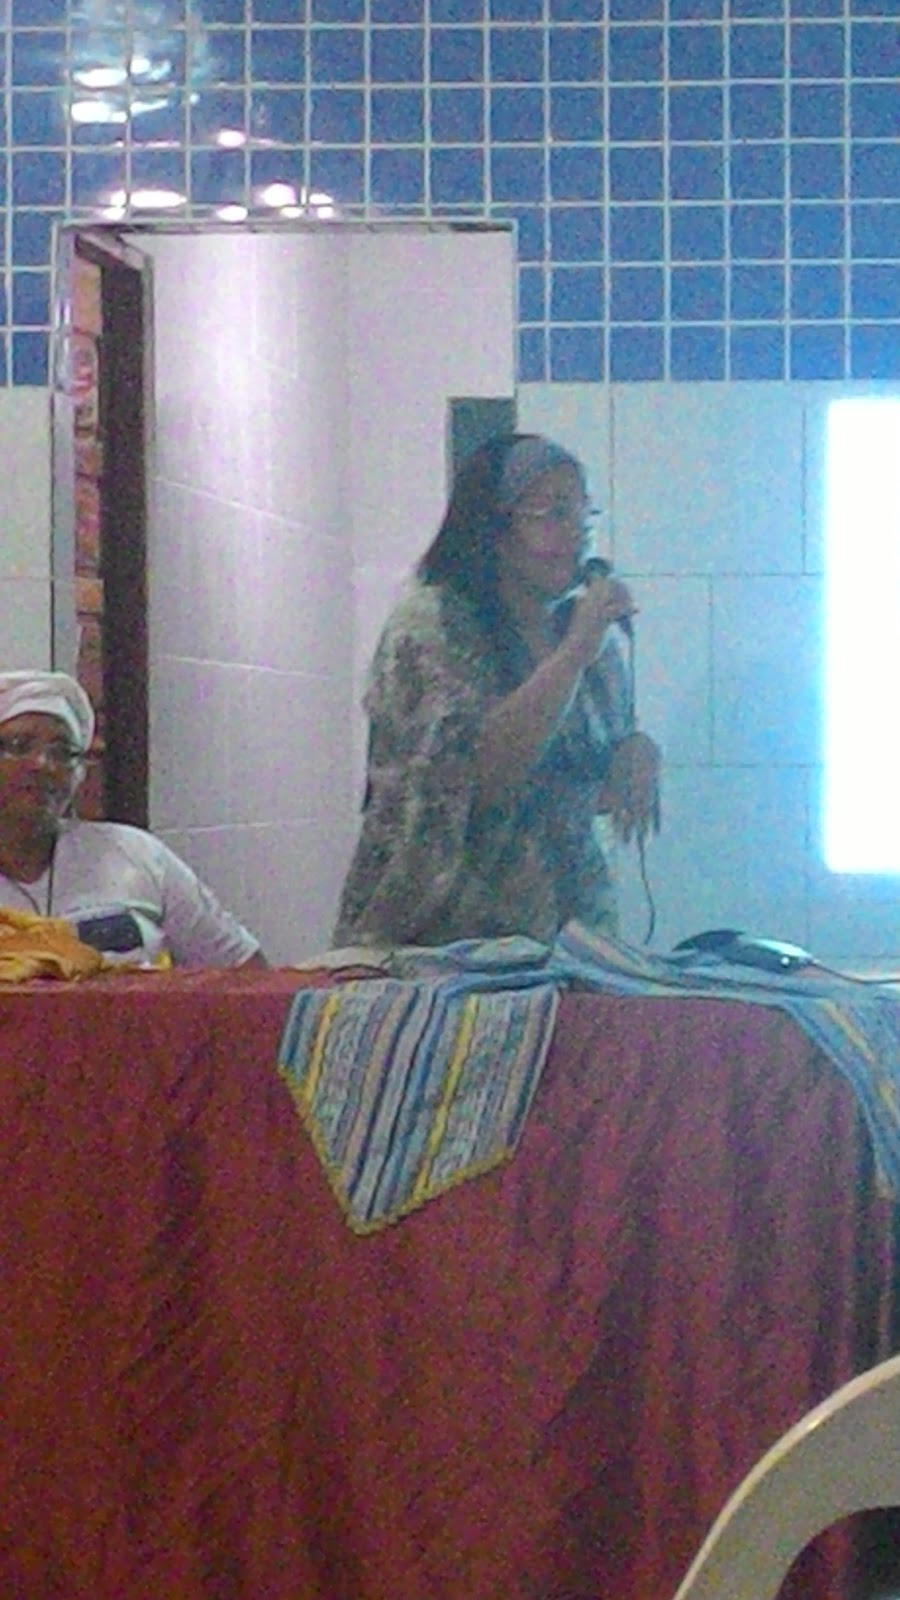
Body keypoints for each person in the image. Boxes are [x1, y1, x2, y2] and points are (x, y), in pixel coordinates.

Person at [334, 431, 661, 949]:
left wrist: (633, 754)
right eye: (553, 513)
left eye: (583, 514)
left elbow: (572, 784)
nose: (576, 533)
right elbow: (480, 780)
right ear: (494, 528)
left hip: (568, 940)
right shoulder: (432, 625)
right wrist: (573, 655)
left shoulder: (580, 631)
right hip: (439, 942)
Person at [0, 670, 267, 968]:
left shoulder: (134, 854)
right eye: (18, 746)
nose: (43, 765)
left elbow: (243, 971)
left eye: (62, 752)